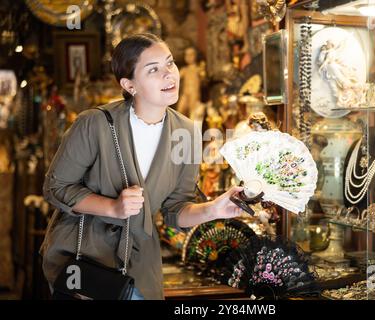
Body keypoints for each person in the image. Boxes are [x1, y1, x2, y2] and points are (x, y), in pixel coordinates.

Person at [40, 33, 244, 300]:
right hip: (87, 265)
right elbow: (55, 187)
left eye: (170, 63)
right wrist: (112, 207)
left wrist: (212, 209)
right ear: (130, 84)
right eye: (153, 69)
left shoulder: (188, 133)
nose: (169, 74)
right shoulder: (95, 124)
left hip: (140, 271)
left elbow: (175, 209)